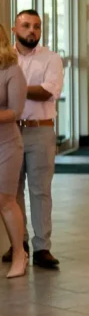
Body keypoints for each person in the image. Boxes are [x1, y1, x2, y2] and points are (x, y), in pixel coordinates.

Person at [3, 10, 63, 270]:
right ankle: (20, 244)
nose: (32, 31)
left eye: (37, 27)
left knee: (40, 191)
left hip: (41, 130)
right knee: (11, 191)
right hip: (9, 132)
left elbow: (48, 92)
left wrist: (13, 86)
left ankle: (42, 247)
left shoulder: (52, 58)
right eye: (26, 26)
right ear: (14, 30)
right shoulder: (5, 60)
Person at [0, 25, 28, 279]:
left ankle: (19, 253)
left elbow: (15, 112)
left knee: (5, 200)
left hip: (6, 145)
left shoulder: (12, 71)